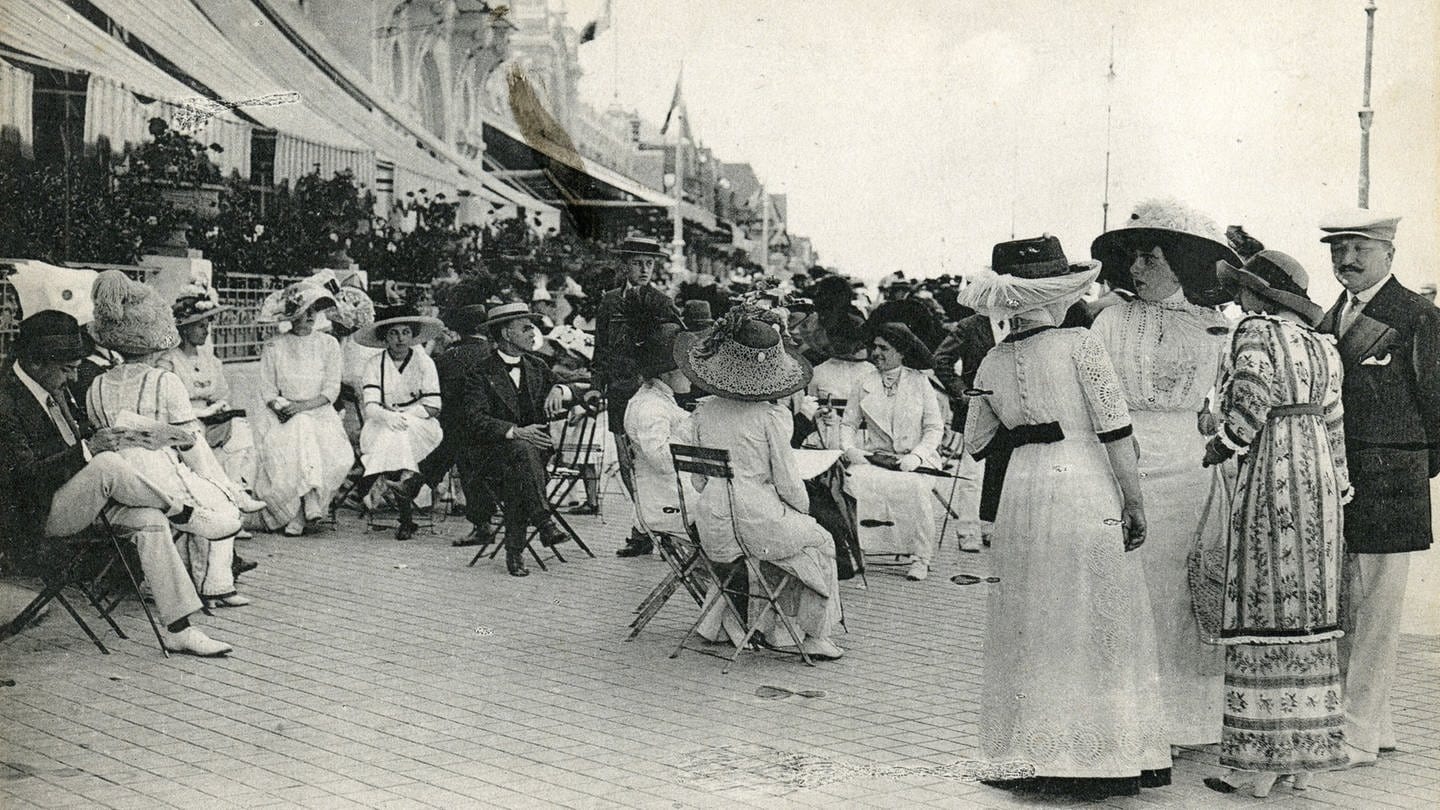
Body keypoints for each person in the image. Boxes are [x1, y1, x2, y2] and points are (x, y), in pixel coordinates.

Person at [960, 236, 1169, 800]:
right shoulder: (1082, 346)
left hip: (1023, 489)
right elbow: (1115, 429)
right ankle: (1099, 754)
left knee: (1032, 615)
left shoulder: (993, 358)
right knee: (1090, 613)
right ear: (1055, 296)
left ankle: (1031, 751)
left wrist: (1015, 415)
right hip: (1082, 482)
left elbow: (976, 440)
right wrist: (1134, 500)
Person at [1198, 251, 1349, 796]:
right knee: (1309, 609)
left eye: (1243, 289)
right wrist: (1341, 480)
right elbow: (1334, 419)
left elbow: (1253, 394)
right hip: (1321, 482)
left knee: (1263, 598)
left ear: (1260, 295)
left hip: (1273, 469)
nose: (1238, 298)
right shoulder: (1321, 343)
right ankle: (1301, 760)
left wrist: (1226, 442)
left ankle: (1256, 764)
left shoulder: (1255, 331)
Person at [0, 311, 237, 656]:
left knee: (150, 521)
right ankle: (184, 513)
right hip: (32, 517)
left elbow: (75, 440)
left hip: (75, 502)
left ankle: (179, 628)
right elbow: (23, 480)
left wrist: (124, 435)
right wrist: (88, 450)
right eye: (67, 368)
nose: (73, 377)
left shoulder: (52, 385)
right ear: (37, 363)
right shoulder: (6, 401)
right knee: (108, 465)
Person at [1089, 199, 1238, 747]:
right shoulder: (1107, 318)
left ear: (1179, 263)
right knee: (1126, 586)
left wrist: (1213, 415)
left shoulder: (1215, 327)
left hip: (1190, 464)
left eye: (1148, 259)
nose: (1135, 269)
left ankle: (1183, 719)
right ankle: (1127, 717)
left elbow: (1227, 398)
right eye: (1131, 259)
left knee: (1181, 590)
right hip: (1121, 458)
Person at [1314, 210, 1440, 767]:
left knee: (1377, 611)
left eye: (1360, 247)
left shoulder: (1418, 315)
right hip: (1339, 477)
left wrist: (1414, 466)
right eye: (1338, 248)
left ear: (1389, 252)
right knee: (1346, 606)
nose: (1347, 258)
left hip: (1391, 479)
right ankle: (1375, 724)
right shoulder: (1328, 317)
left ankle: (1358, 734)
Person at [84, 271, 263, 608]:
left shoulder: (97, 384)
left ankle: (163, 581)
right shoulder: (164, 381)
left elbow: (101, 434)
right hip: (159, 474)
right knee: (218, 503)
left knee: (196, 503)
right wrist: (218, 481)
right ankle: (214, 586)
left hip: (118, 480)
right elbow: (191, 442)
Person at [673, 309, 845, 660]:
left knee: (786, 543)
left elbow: (698, 481)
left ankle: (770, 626)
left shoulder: (703, 411)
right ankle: (811, 634)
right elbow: (788, 483)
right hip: (754, 524)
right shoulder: (770, 417)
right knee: (819, 542)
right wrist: (801, 511)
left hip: (714, 525)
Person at [461, 303, 585, 577]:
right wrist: (515, 431)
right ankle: (542, 522)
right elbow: (473, 419)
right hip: (489, 457)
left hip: (533, 458)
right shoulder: (480, 372)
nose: (534, 333)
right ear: (506, 333)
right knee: (521, 454)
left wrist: (560, 388)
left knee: (521, 465)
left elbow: (579, 388)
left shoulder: (537, 366)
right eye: (526, 327)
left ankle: (518, 549)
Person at [594, 235, 683, 557]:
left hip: (651, 393)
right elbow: (600, 347)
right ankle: (642, 528)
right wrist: (596, 383)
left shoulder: (661, 302)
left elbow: (677, 344)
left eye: (650, 264)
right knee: (626, 463)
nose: (645, 269)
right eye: (638, 263)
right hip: (619, 392)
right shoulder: (608, 302)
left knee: (654, 464)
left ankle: (665, 529)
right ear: (625, 265)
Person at [838, 323, 944, 581]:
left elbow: (934, 427)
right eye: (874, 347)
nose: (876, 353)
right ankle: (861, 548)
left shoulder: (920, 382)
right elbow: (848, 423)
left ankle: (920, 557)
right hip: (876, 457)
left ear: (901, 352)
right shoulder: (864, 382)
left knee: (915, 487)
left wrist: (917, 456)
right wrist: (850, 449)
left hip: (916, 457)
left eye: (883, 348)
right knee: (853, 481)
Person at [252, 279, 354, 536]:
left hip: (320, 414)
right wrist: (283, 407)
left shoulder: (328, 344)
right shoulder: (275, 346)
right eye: (302, 311)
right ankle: (305, 504)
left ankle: (304, 507)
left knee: (309, 427)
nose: (308, 316)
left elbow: (331, 390)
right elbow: (268, 391)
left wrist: (303, 407)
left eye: (313, 311)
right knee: (300, 427)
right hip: (284, 415)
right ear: (291, 316)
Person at [157, 280, 259, 494]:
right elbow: (165, 403)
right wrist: (201, 412)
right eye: (201, 326)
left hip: (212, 419)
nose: (206, 331)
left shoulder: (210, 359)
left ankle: (238, 491)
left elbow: (222, 393)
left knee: (242, 432)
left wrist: (220, 407)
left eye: (208, 325)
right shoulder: (169, 361)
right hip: (183, 420)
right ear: (185, 329)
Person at [354, 304, 445, 541]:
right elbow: (371, 406)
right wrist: (389, 416)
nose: (400, 339)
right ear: (385, 337)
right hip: (382, 421)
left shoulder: (425, 363)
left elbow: (434, 406)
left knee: (399, 437)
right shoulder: (375, 364)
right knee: (394, 437)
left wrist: (407, 415)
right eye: (394, 333)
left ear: (413, 335)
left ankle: (375, 477)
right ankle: (406, 511)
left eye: (405, 332)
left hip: (419, 421)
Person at [419, 303, 496, 547]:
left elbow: (434, 394)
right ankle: (414, 484)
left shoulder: (448, 357)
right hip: (493, 428)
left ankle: (415, 483)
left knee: (455, 441)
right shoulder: (492, 353)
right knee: (458, 440)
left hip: (466, 434)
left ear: (458, 330)